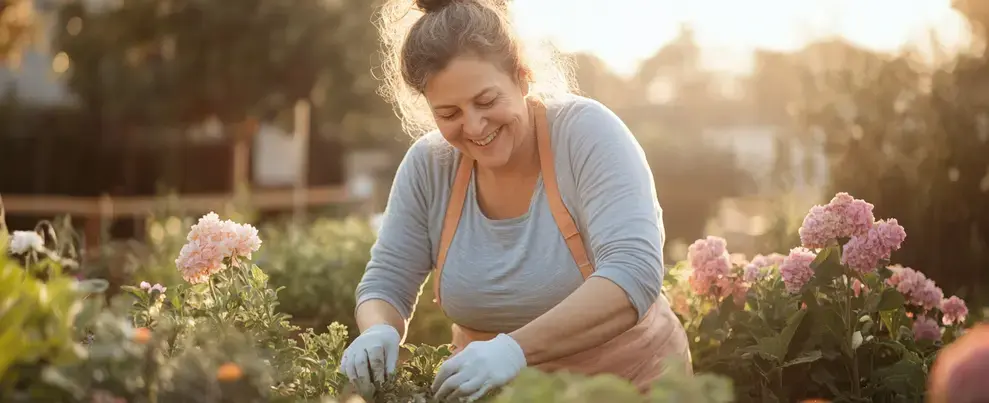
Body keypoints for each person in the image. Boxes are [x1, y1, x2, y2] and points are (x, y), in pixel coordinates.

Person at [339, 0, 692, 400]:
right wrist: (379, 329)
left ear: (522, 77)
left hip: (630, 387)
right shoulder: (429, 166)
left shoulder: (587, 134)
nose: (474, 126)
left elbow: (633, 272)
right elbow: (386, 281)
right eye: (449, 112)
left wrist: (514, 350)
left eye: (487, 102)